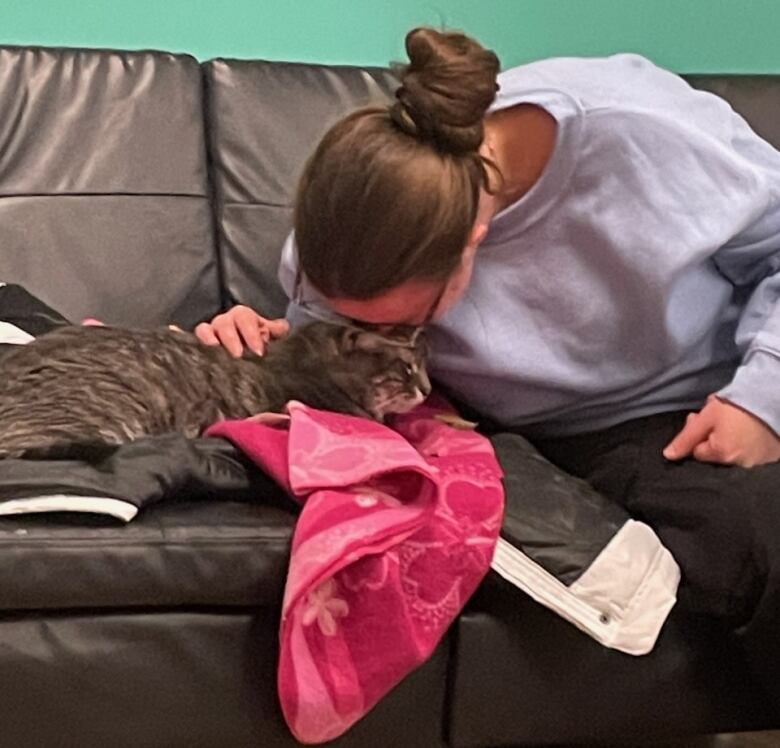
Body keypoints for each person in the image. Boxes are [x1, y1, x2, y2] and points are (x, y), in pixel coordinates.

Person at [196, 28, 780, 700]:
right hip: (501, 436)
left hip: (691, 403)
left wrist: (762, 397)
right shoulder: (345, 231)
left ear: (475, 244)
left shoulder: (637, 127)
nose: (385, 336)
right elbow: (322, 346)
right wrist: (255, 340)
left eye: (407, 322)